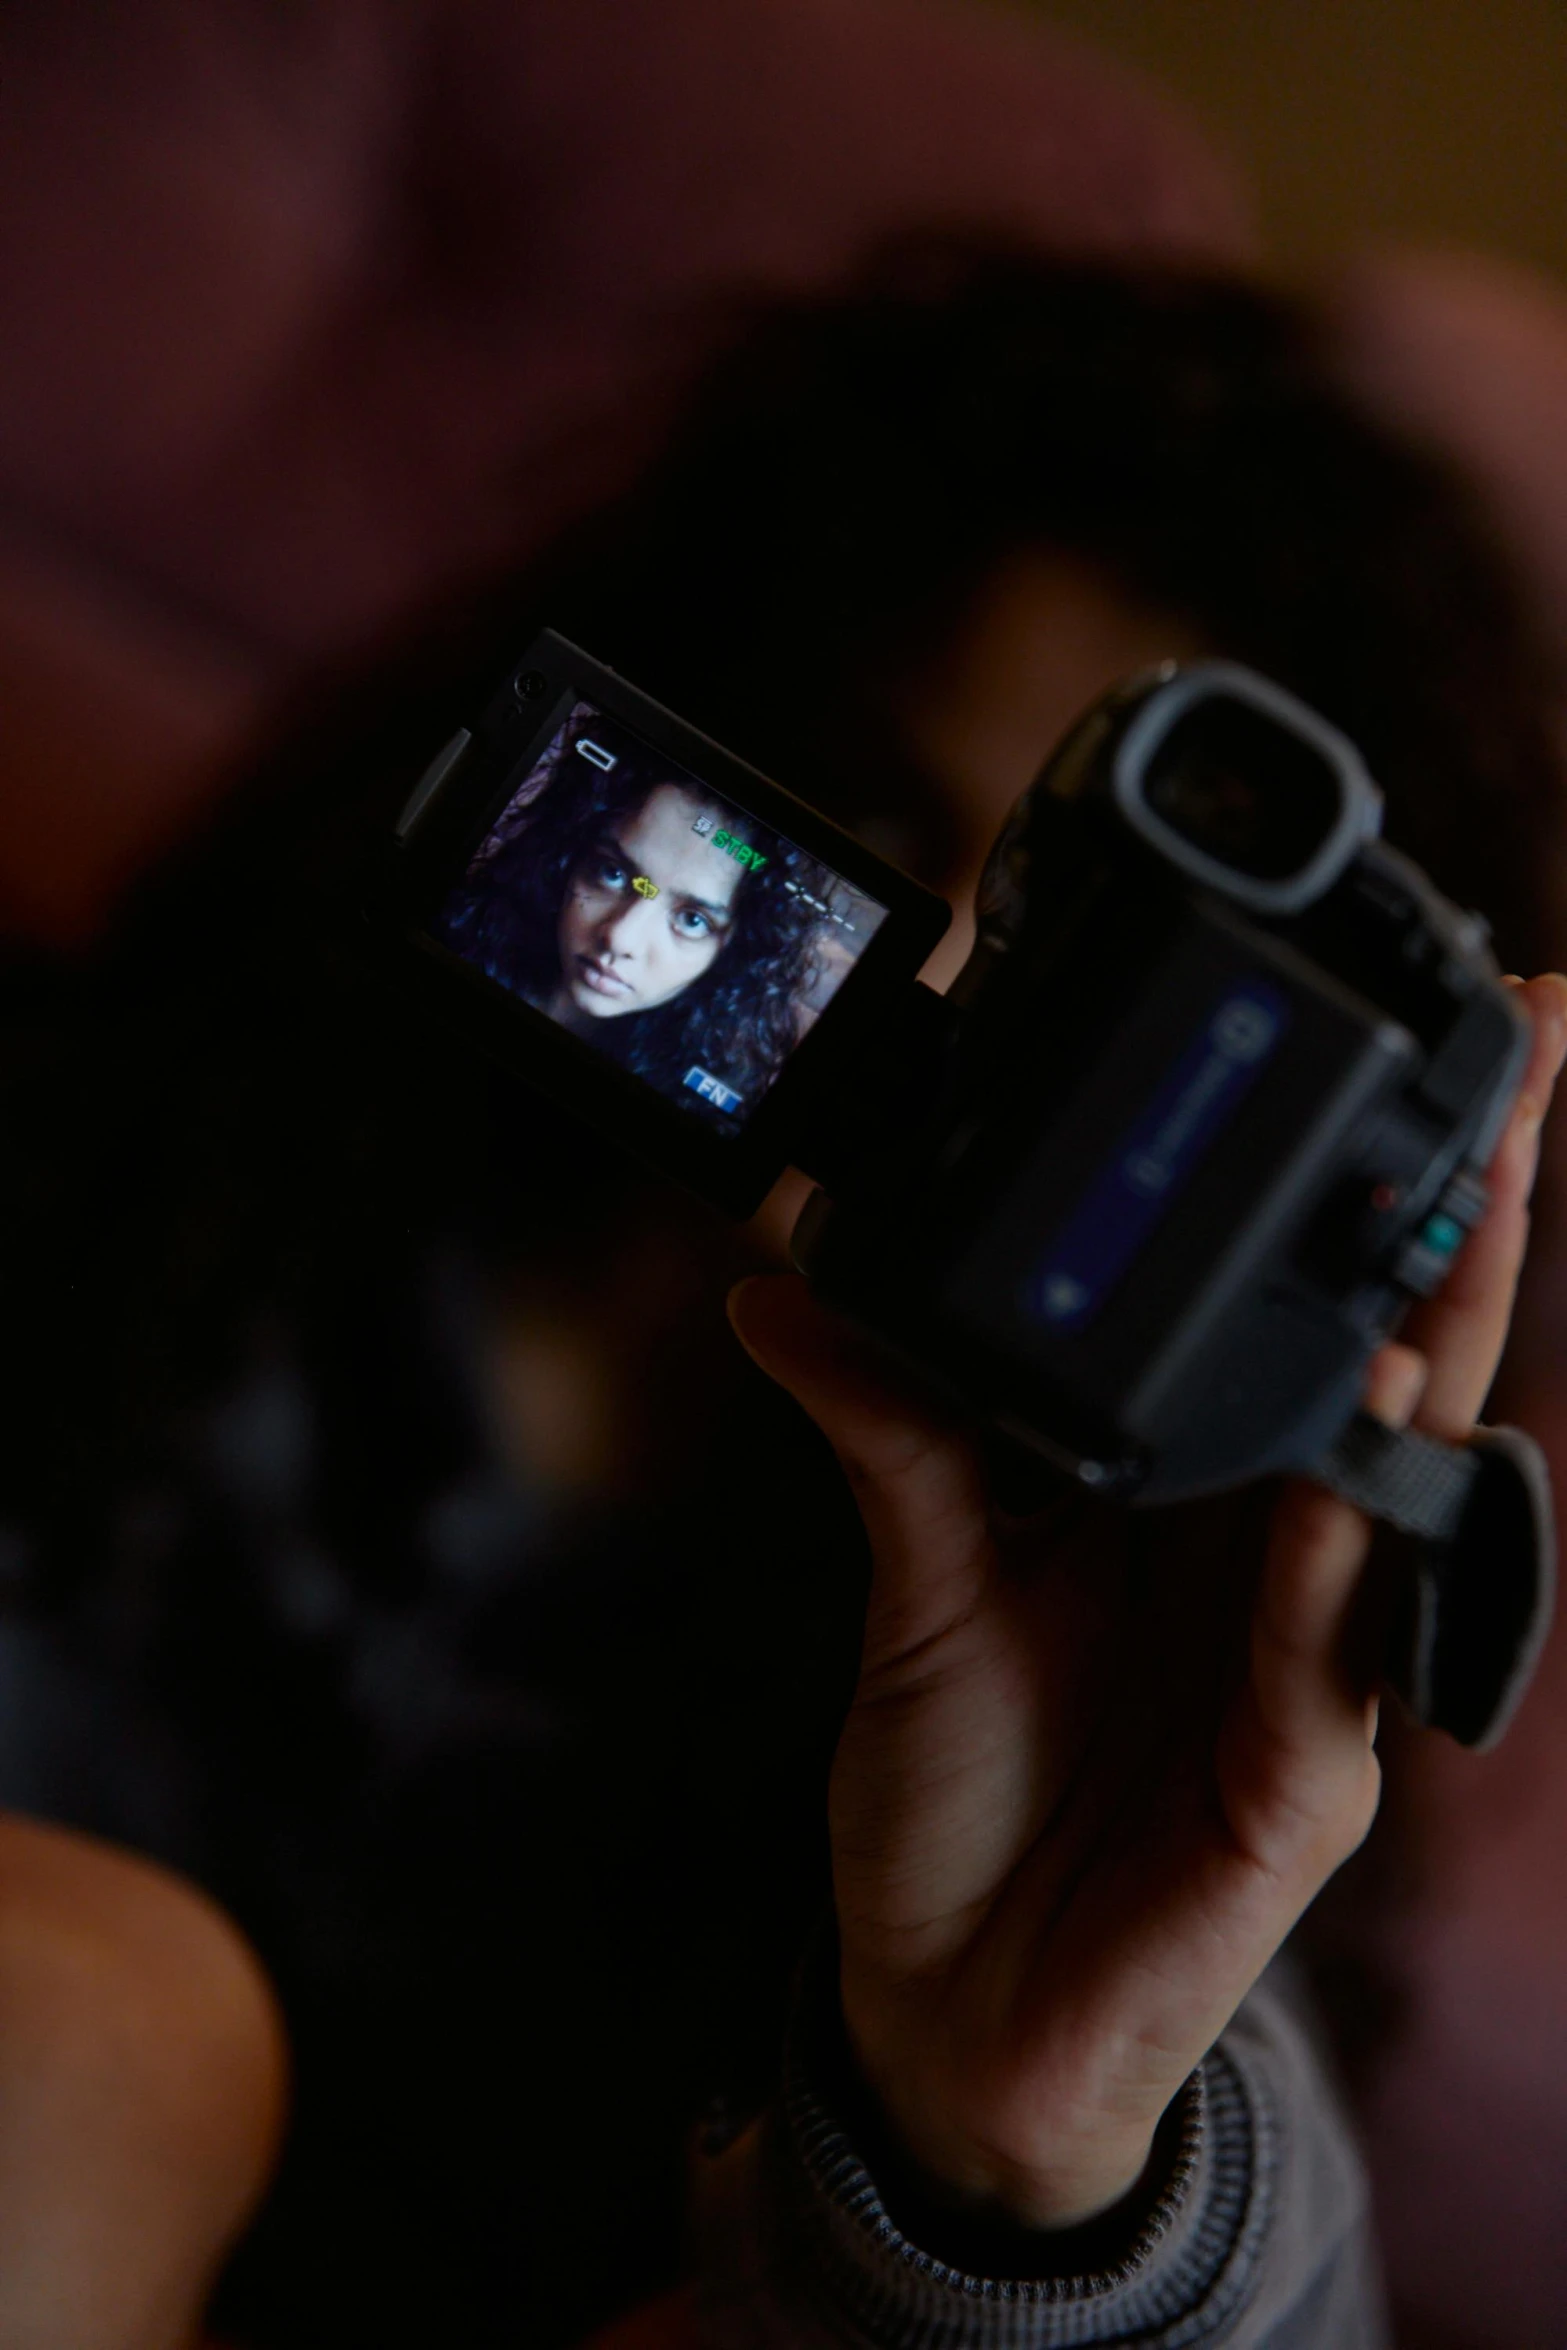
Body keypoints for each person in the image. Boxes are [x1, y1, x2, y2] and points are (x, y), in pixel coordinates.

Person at [1, 250, 1564, 2349]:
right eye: (905, 840)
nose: (941, 1001)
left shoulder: (1090, 1619)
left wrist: (1025, 2171)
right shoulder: (141, 1167)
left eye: (1092, 966)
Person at [435, 705, 850, 1115]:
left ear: (733, 951)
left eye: (692, 920)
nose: (620, 937)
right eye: (613, 873)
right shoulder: (448, 933)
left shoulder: (695, 1102)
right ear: (568, 855)